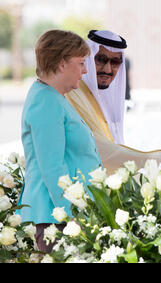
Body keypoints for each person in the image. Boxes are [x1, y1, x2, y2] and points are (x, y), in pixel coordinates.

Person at [65, 30, 161, 173]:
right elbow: (97, 149)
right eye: (100, 60)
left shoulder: (98, 96)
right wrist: (159, 160)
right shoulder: (73, 94)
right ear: (87, 59)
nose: (108, 69)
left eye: (115, 62)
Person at [17, 30, 102, 253]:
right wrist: (72, 216)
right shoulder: (46, 101)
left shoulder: (53, 97)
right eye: (81, 63)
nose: (85, 71)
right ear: (62, 63)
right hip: (57, 220)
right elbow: (52, 167)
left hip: (62, 217)